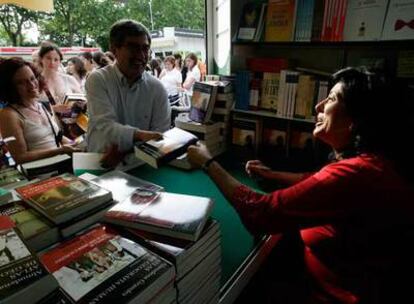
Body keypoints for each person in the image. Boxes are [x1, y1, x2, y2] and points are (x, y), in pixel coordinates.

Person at [187, 67, 414, 303]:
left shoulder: (356, 173)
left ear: (356, 120)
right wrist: (273, 175)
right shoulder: (373, 164)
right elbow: (316, 181)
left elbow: (260, 213)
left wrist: (208, 161)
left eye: (332, 99)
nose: (319, 106)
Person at [86, 19, 170, 167]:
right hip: (101, 165)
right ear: (114, 49)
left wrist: (123, 152)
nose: (141, 55)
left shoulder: (157, 88)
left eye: (145, 48)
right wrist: (140, 135)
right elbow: (105, 125)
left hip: (142, 167)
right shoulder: (98, 80)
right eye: (133, 48)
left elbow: (159, 137)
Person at [0, 58, 79, 164]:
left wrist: (77, 144)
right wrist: (60, 150)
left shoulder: (42, 105)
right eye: (21, 83)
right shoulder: (9, 115)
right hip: (39, 176)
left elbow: (56, 136)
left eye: (32, 79)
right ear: (10, 87)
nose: (31, 85)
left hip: (61, 170)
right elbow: (19, 157)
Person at [38, 42, 82, 113]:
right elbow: (28, 107)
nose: (52, 62)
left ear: (60, 61)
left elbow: (82, 101)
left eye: (56, 59)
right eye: (48, 58)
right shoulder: (34, 81)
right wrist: (53, 108)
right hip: (46, 122)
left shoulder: (69, 79)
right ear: (41, 59)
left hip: (69, 122)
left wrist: (77, 105)